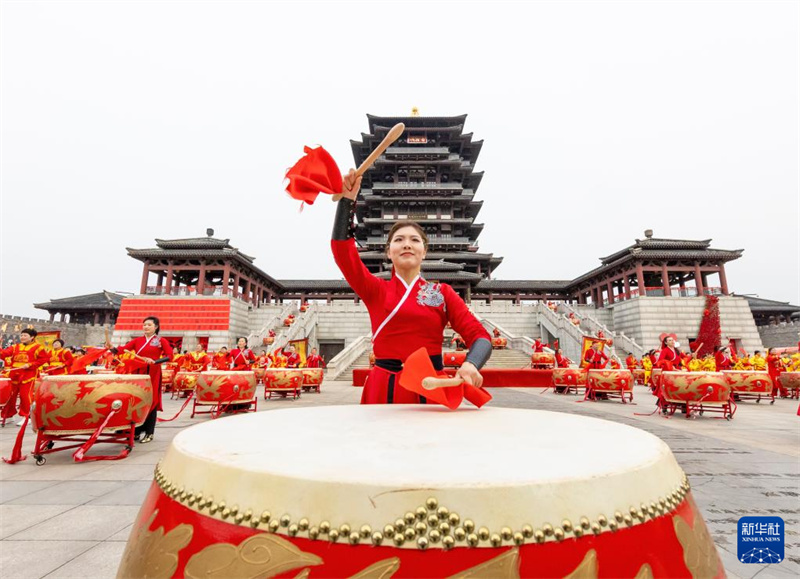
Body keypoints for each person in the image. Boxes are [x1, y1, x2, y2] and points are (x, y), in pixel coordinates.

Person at [331, 169, 491, 404]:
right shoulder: (374, 289)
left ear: (424, 252)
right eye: (399, 240)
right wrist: (346, 202)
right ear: (389, 252)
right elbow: (343, 253)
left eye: (415, 240)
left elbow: (480, 336)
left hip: (430, 385)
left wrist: (471, 363)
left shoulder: (442, 293)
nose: (407, 244)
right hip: (383, 386)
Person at [112, 316, 173, 443]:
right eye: (144, 324)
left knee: (151, 400)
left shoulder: (161, 340)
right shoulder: (138, 340)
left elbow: (169, 356)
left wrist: (155, 361)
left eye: (149, 325)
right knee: (137, 400)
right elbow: (123, 350)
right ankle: (137, 431)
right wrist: (112, 348)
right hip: (138, 371)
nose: (145, 327)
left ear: (156, 327)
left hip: (152, 372)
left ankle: (149, 433)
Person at [0, 328, 51, 425]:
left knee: (25, 396)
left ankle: (27, 416)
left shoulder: (38, 347)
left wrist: (30, 364)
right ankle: (8, 415)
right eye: (22, 335)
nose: (22, 337)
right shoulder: (16, 347)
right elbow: (5, 354)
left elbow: (44, 359)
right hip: (14, 374)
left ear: (32, 337)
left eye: (25, 335)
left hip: (28, 374)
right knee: (10, 396)